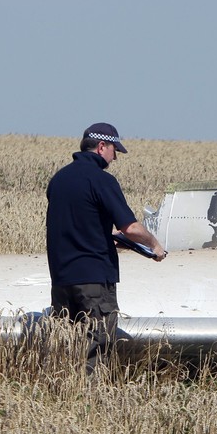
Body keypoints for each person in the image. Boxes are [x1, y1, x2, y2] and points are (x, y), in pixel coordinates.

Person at [46, 122, 167, 374]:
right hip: (93, 280)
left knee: (67, 348)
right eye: (114, 151)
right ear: (102, 146)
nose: (115, 158)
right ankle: (89, 404)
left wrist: (107, 239)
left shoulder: (58, 180)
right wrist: (155, 245)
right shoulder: (102, 180)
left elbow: (76, 226)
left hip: (61, 279)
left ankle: (61, 399)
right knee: (95, 349)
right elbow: (130, 228)